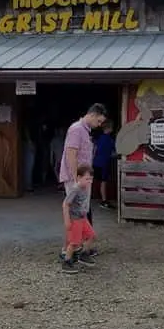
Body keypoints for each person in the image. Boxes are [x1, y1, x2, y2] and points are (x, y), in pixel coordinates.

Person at [59, 103, 106, 259]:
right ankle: (67, 250)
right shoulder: (77, 129)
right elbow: (71, 154)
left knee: (82, 213)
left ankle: (79, 246)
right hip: (77, 180)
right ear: (92, 115)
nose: (99, 125)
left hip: (83, 179)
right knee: (75, 215)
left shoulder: (86, 131)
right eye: (98, 121)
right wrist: (75, 180)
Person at [61, 165, 98, 274]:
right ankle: (66, 261)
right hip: (75, 219)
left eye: (91, 179)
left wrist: (85, 217)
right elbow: (65, 204)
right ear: (78, 177)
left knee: (91, 235)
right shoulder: (75, 190)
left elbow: (83, 205)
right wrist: (67, 220)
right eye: (87, 179)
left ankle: (84, 254)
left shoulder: (85, 188)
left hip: (82, 218)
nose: (89, 181)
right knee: (74, 242)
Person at [93, 121, 116, 209]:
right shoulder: (110, 140)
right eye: (112, 127)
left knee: (93, 181)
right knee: (103, 182)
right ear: (109, 128)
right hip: (104, 163)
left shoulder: (99, 138)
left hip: (96, 162)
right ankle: (104, 201)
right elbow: (115, 151)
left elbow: (95, 149)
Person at [23, 128, 35, 192]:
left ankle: (28, 184)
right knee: (28, 167)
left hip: (29, 145)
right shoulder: (28, 143)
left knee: (28, 167)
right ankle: (28, 185)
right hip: (28, 145)